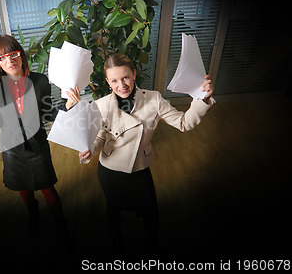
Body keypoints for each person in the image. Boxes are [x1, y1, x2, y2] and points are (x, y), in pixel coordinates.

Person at [78, 54, 215, 254]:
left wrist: (202, 99)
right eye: (114, 80)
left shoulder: (154, 99)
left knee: (150, 211)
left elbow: (184, 123)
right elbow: (99, 138)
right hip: (110, 170)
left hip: (139, 168)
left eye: (125, 77)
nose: (121, 85)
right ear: (107, 81)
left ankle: (152, 245)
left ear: (134, 74)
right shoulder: (101, 105)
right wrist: (89, 150)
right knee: (113, 208)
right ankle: (116, 243)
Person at [0, 35, 80, 243]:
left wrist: (67, 105)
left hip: (38, 144)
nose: (9, 61)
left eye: (13, 54)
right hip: (11, 148)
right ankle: (33, 216)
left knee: (47, 187)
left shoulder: (40, 81)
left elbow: (48, 115)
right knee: (23, 188)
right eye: (2, 58)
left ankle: (61, 222)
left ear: (21, 55)